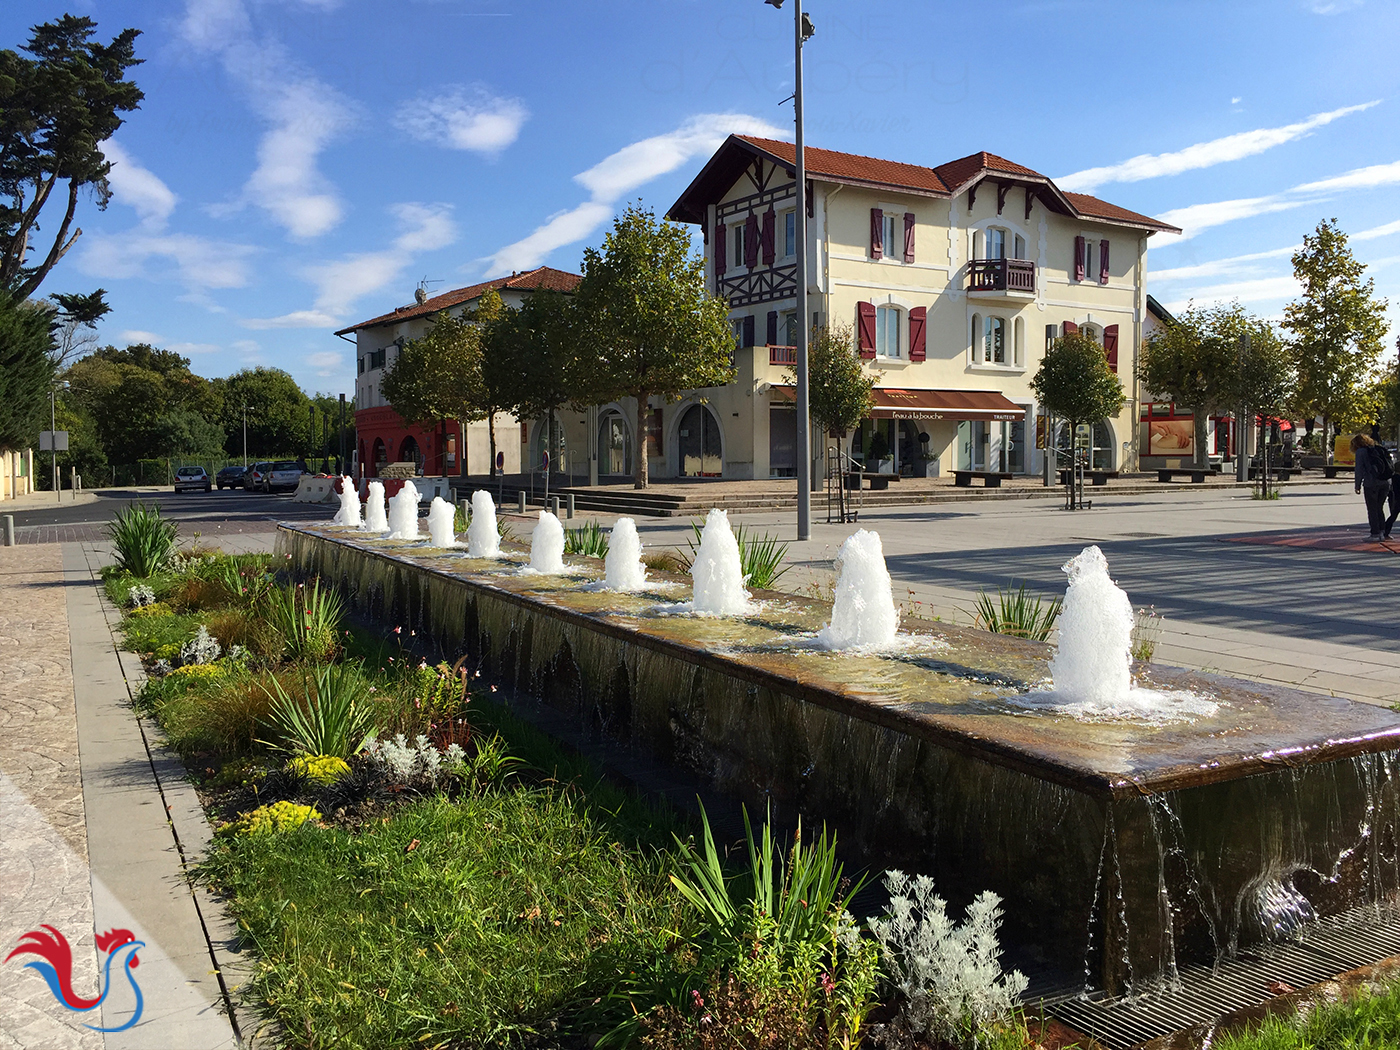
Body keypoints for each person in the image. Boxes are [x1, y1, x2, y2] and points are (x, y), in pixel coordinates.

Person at [1351, 434, 1394, 541]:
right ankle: (1383, 532)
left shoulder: (1361, 451)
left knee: (1372, 509)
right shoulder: (1380, 448)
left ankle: (1374, 534)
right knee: (1379, 507)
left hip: (1371, 483)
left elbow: (1359, 470)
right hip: (1386, 482)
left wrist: (1357, 485)